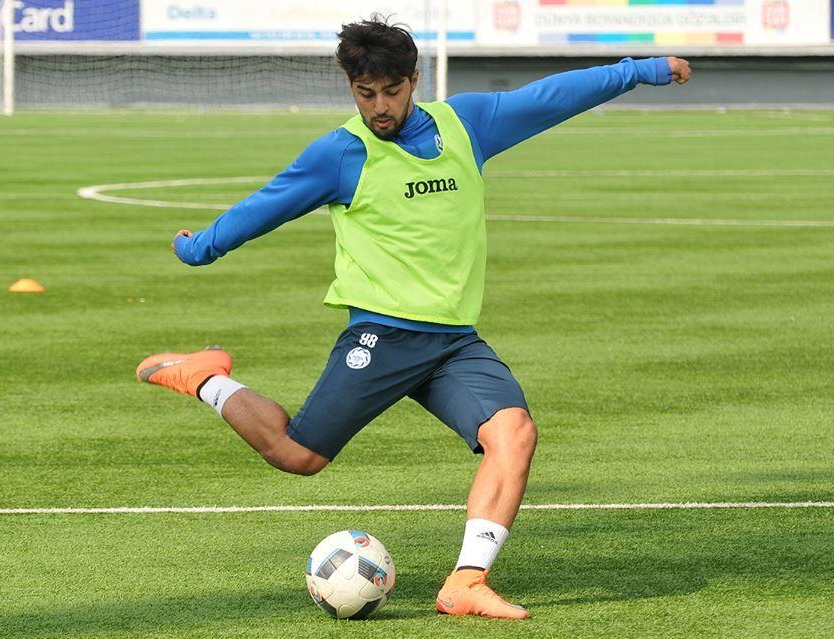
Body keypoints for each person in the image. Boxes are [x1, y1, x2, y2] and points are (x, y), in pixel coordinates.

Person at [136, 16, 692, 620]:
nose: (379, 106)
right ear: (351, 87)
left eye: (391, 91)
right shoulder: (341, 154)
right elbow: (264, 207)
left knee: (514, 433)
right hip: (384, 333)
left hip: (454, 342)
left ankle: (467, 582)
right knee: (298, 456)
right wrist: (199, 248)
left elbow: (553, 96)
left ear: (414, 80)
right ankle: (205, 378)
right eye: (365, 93)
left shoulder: (466, 124)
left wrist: (643, 70)